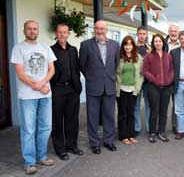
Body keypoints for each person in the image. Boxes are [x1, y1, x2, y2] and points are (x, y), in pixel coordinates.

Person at [10, 20, 56, 175]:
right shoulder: (18, 48)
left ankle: (41, 156)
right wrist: (35, 85)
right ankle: (29, 162)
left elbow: (51, 69)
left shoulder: (45, 47)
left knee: (46, 126)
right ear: (24, 31)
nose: (32, 31)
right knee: (29, 129)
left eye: (34, 28)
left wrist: (42, 84)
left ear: (38, 31)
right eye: (29, 29)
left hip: (45, 94)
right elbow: (20, 73)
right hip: (27, 95)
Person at [79, 20, 120, 155]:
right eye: (97, 28)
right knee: (93, 116)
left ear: (107, 30)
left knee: (109, 115)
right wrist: (91, 77)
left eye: (102, 28)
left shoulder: (115, 45)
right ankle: (94, 143)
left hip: (109, 85)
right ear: (94, 29)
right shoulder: (85, 45)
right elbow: (82, 65)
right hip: (93, 86)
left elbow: (116, 63)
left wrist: (108, 76)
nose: (100, 31)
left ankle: (108, 141)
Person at [50, 23, 83, 161]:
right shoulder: (50, 50)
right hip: (57, 89)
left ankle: (71, 145)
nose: (62, 34)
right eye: (60, 32)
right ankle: (60, 149)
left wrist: (78, 87)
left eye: (65, 32)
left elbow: (76, 68)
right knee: (57, 121)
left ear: (68, 34)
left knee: (72, 119)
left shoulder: (73, 50)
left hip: (72, 89)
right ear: (56, 34)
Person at [142, 34, 174, 143]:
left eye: (160, 41)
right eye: (156, 41)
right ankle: (152, 132)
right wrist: (155, 80)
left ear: (163, 43)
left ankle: (161, 132)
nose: (158, 43)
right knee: (154, 110)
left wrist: (169, 80)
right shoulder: (149, 56)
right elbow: (145, 71)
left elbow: (171, 70)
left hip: (166, 88)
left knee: (164, 110)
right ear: (153, 43)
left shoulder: (168, 56)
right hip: (153, 87)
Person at [116, 36, 143, 144]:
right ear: (123, 46)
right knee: (122, 113)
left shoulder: (138, 57)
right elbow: (115, 72)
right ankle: (123, 136)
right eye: (126, 44)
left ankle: (131, 134)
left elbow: (141, 75)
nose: (128, 46)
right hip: (121, 89)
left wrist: (138, 87)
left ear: (133, 46)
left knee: (131, 113)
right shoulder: (118, 57)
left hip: (133, 89)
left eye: (130, 44)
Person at [134, 26, 151, 135]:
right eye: (140, 33)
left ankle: (150, 127)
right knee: (136, 105)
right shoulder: (132, 47)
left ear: (146, 35)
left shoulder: (150, 49)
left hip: (148, 82)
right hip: (136, 81)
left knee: (149, 105)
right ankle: (136, 127)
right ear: (137, 34)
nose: (142, 36)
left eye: (144, 34)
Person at [165, 24, 180, 134]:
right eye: (171, 31)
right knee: (162, 104)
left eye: (175, 31)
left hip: (177, 79)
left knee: (177, 104)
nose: (173, 33)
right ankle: (161, 126)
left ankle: (175, 125)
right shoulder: (163, 43)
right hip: (164, 78)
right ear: (168, 32)